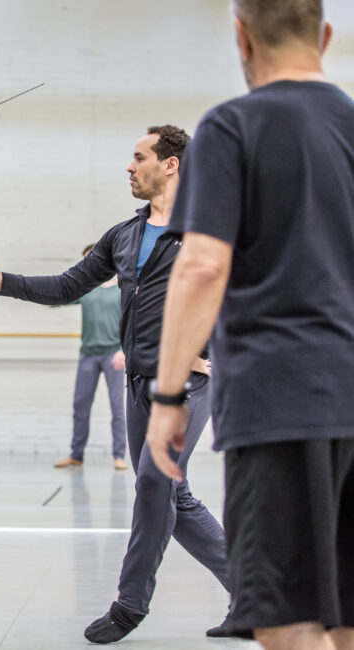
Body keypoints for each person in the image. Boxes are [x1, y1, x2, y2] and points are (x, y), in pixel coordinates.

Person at [0, 125, 232, 644]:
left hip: (185, 384)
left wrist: (221, 352)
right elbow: (68, 286)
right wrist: (0, 281)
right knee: (171, 496)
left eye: (138, 157)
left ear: (171, 164)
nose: (129, 167)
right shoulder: (124, 235)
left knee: (155, 485)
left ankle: (129, 605)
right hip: (139, 383)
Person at [146, 2, 354, 649]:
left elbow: (201, 267)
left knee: (285, 619)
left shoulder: (232, 126)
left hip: (278, 400)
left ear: (240, 35)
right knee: (343, 612)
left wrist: (167, 395)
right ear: (324, 34)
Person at [53, 243, 128, 470]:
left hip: (113, 354)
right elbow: (57, 297)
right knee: (80, 404)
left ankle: (119, 455)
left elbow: (132, 322)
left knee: (117, 405)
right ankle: (76, 454)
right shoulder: (85, 290)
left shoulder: (121, 289)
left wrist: (123, 350)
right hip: (88, 354)